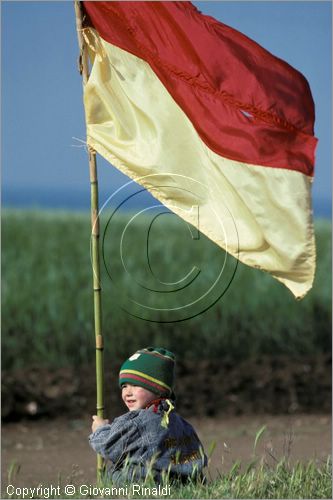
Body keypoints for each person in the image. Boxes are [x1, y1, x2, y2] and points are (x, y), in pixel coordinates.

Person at [89, 347, 207, 484]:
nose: (127, 392)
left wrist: (100, 430)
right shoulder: (181, 423)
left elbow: (110, 446)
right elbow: (196, 458)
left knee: (114, 475)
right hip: (179, 483)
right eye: (124, 386)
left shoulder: (138, 423)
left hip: (151, 482)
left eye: (135, 385)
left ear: (158, 390)